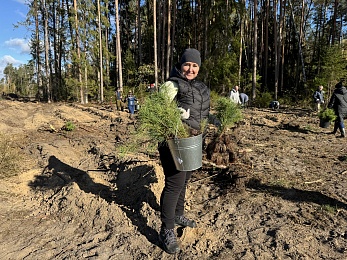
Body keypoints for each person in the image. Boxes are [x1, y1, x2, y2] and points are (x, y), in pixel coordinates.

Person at [158, 48, 211, 254]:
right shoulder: (172, 85)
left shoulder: (201, 87)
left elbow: (201, 112)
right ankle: (167, 229)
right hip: (173, 142)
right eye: (187, 64)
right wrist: (174, 115)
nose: (190, 69)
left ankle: (178, 214)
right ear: (180, 65)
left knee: (186, 178)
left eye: (195, 65)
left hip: (194, 140)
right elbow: (158, 111)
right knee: (174, 183)